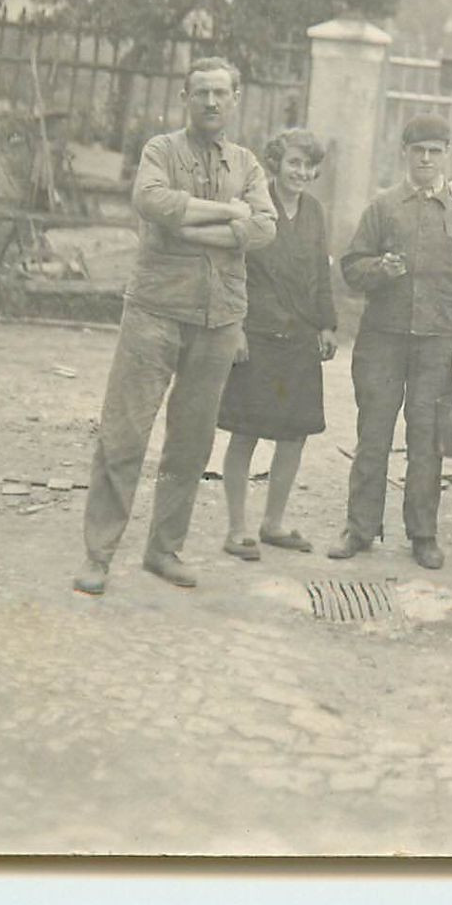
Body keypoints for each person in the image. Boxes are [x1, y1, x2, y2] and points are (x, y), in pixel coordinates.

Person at [73, 57, 277, 595]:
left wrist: (199, 226)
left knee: (190, 443)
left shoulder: (248, 164)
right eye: (201, 93)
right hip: (155, 312)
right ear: (185, 98)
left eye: (221, 94)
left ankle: (164, 549)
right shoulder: (160, 150)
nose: (211, 102)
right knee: (124, 435)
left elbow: (264, 228)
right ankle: (98, 555)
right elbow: (151, 202)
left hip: (218, 318)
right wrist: (228, 215)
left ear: (235, 100)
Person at [328, 114, 452, 570]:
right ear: (404, 152)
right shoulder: (382, 207)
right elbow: (351, 266)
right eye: (418, 149)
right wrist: (382, 269)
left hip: (437, 343)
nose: (426, 158)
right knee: (373, 435)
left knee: (427, 442)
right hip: (383, 340)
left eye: (435, 150)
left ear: (446, 156)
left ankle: (423, 534)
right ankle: (359, 528)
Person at [216, 128, 338, 562]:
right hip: (257, 336)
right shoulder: (254, 205)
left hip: (300, 338)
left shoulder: (315, 212)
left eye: (308, 166)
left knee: (294, 435)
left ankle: (273, 523)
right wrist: (236, 329)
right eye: (293, 163)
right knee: (245, 433)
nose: (301, 173)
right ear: (276, 164)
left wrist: (326, 325)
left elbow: (322, 274)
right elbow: (232, 269)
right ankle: (237, 529)